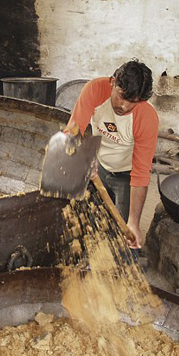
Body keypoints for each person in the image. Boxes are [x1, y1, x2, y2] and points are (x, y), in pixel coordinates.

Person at [66, 60, 158, 249]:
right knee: (91, 221)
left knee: (123, 235)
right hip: (99, 167)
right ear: (113, 82)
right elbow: (73, 131)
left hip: (126, 175)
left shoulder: (146, 117)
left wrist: (133, 221)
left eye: (132, 102)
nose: (124, 106)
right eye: (122, 96)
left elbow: (141, 174)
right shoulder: (95, 90)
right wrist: (84, 158)